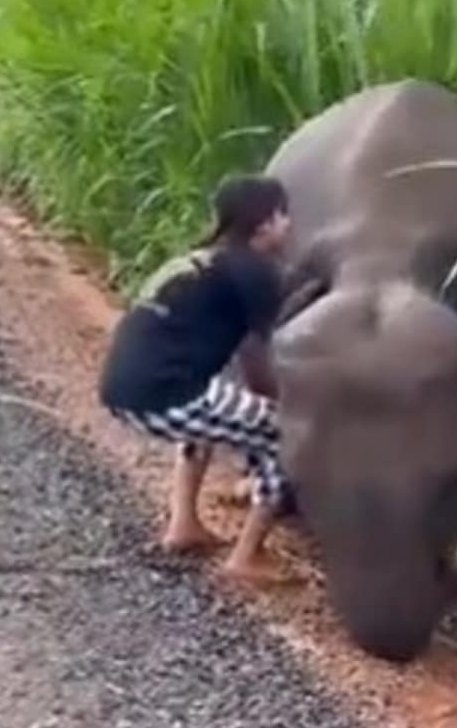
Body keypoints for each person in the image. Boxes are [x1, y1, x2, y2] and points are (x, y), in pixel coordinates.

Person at [97, 173, 313, 583]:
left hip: (123, 388)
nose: (289, 226)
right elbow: (264, 355)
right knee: (287, 433)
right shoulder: (254, 270)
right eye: (284, 216)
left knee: (212, 412)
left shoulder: (202, 259)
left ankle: (184, 525)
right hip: (165, 395)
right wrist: (283, 409)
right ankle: (247, 557)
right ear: (264, 223)